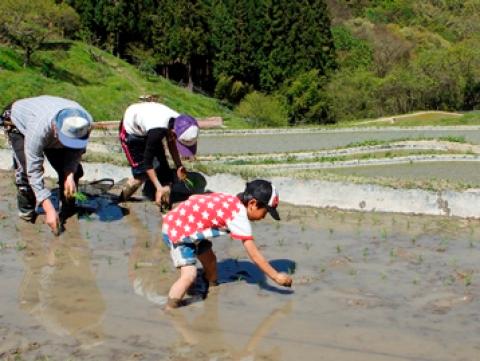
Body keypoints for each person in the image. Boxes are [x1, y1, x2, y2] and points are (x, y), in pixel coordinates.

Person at [162, 179, 293, 309]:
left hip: (191, 228)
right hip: (177, 232)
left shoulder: (232, 199)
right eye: (265, 212)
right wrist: (276, 277)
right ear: (253, 203)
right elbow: (254, 255)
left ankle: (211, 285)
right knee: (189, 275)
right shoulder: (239, 216)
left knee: (210, 261)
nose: (264, 217)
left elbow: (196, 198)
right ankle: (170, 307)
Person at [1, 95, 93, 234]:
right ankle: (27, 213)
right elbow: (34, 170)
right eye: (66, 140)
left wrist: (69, 174)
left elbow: (76, 151)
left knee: (74, 172)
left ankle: (67, 208)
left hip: (48, 125)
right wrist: (49, 209)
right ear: (56, 129)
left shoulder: (85, 122)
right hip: (18, 124)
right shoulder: (38, 129)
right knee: (26, 171)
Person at [118, 101, 199, 207]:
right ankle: (120, 201)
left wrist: (179, 165)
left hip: (150, 125)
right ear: (174, 133)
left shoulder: (182, 122)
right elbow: (147, 163)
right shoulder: (158, 131)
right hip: (132, 130)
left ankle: (163, 203)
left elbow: (171, 142)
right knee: (141, 175)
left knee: (164, 171)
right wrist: (159, 187)